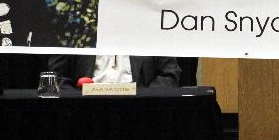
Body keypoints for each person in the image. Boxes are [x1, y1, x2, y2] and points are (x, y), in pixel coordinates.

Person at [49, 55, 181, 89]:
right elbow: (56, 76)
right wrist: (75, 99)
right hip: (85, 109)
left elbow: (169, 74)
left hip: (140, 109)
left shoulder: (151, 25)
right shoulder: (75, 24)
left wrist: (145, 99)